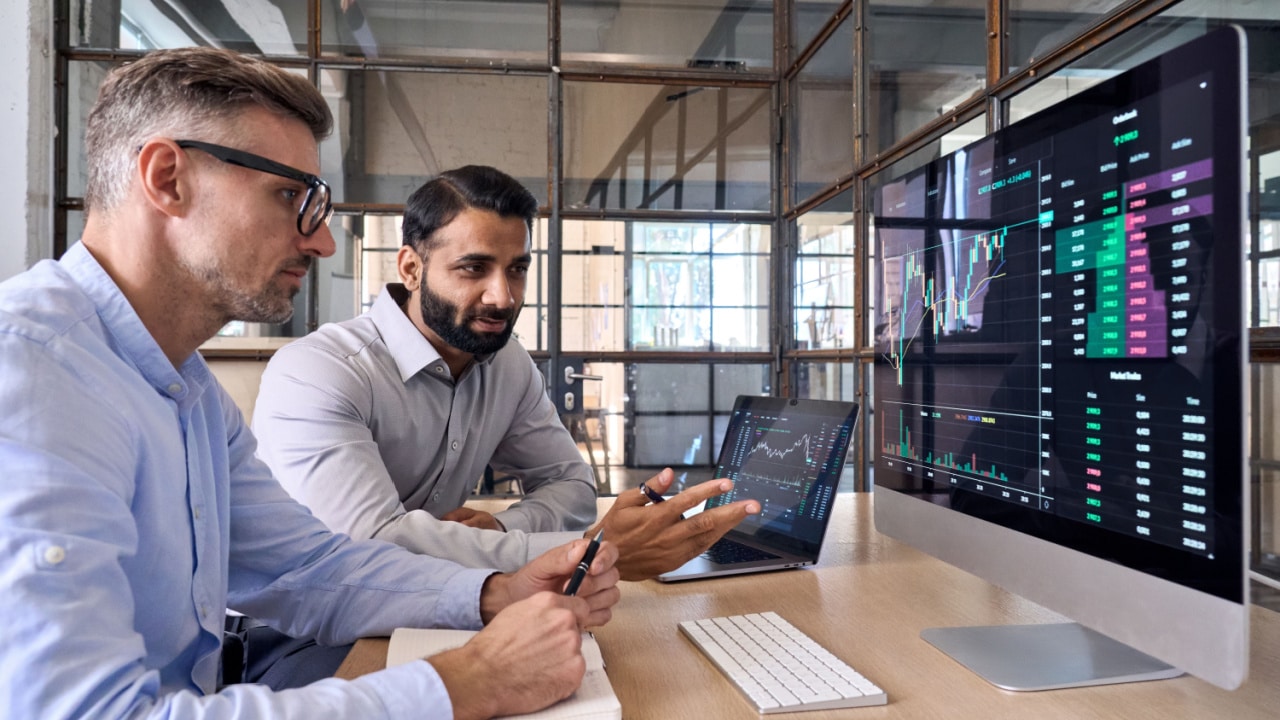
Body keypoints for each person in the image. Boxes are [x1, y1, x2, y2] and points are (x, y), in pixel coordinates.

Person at [0, 47, 621, 719]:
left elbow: (307, 568)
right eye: (291, 196)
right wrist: (466, 682)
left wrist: (496, 591)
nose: (323, 242)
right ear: (167, 178)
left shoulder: (186, 388)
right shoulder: (32, 374)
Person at [252, 165, 761, 580]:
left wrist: (501, 529)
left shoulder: (506, 362)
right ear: (410, 268)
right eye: (474, 269)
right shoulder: (319, 373)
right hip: (297, 631)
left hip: (433, 604)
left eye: (517, 268)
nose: (504, 297)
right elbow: (370, 546)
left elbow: (571, 485)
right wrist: (587, 549)